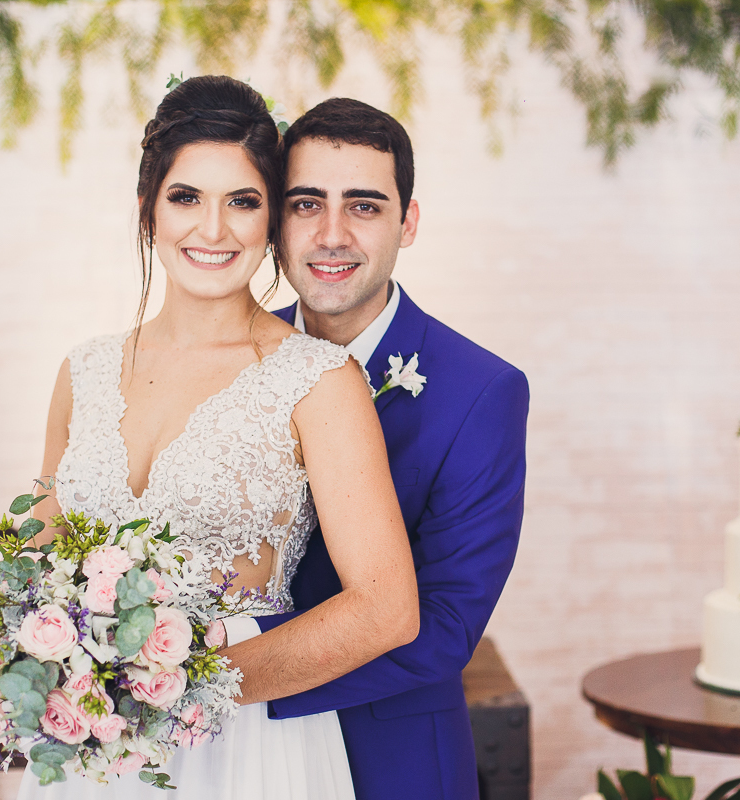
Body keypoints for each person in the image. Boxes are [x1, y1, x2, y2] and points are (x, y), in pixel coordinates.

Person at [19, 76, 419, 800]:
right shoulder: (84, 370)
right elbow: (38, 557)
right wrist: (18, 656)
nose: (213, 229)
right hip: (93, 750)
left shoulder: (318, 380)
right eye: (186, 198)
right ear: (148, 209)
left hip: (247, 750)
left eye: (243, 202)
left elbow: (385, 608)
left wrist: (182, 682)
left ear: (271, 223)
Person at [219, 99, 530, 800]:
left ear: (407, 222)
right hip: (225, 759)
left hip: (390, 763)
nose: (332, 235)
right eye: (306, 204)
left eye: (363, 206)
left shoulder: (481, 391)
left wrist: (215, 675)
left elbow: (447, 626)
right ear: (275, 219)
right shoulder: (222, 360)